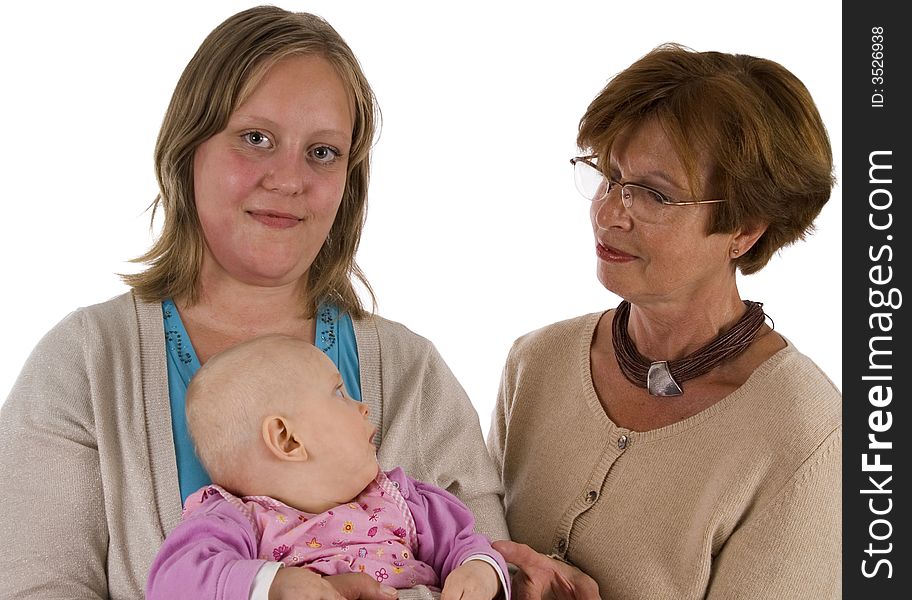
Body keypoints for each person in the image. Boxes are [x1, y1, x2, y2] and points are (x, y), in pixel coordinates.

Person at [0, 6, 507, 599]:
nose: (288, 179)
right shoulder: (86, 364)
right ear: (189, 148)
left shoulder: (411, 372)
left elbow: (485, 570)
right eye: (256, 138)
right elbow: (33, 587)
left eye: (323, 152)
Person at [488, 43, 841, 599]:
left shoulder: (804, 435)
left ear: (745, 229)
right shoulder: (537, 363)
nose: (607, 214)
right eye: (608, 175)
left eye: (653, 194)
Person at [147, 335, 509, 600]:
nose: (363, 407)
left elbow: (466, 542)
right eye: (339, 393)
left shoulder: (402, 500)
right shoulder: (237, 520)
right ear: (287, 439)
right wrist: (273, 585)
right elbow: (171, 581)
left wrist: (481, 570)